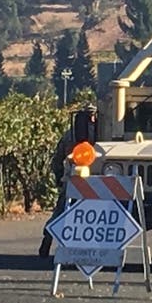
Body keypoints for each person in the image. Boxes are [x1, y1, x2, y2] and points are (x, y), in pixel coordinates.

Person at [38, 103, 98, 257]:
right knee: (62, 212)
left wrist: (58, 176)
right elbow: (59, 159)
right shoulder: (101, 135)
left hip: (73, 179)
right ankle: (49, 240)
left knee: (61, 212)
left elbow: (57, 160)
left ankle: (48, 240)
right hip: (84, 180)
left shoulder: (70, 134)